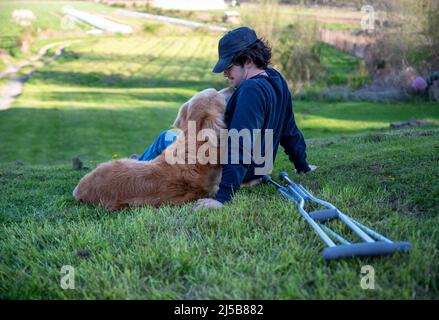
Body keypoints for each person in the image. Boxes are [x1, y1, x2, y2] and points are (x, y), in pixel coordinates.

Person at [134, 27, 316, 210]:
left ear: (248, 60)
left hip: (240, 171)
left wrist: (223, 198)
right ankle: (140, 163)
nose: (225, 73)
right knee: (173, 139)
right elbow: (289, 130)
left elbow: (240, 143)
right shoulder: (276, 78)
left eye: (229, 67)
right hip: (260, 167)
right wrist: (303, 166)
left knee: (166, 137)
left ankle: (134, 173)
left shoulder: (251, 91)